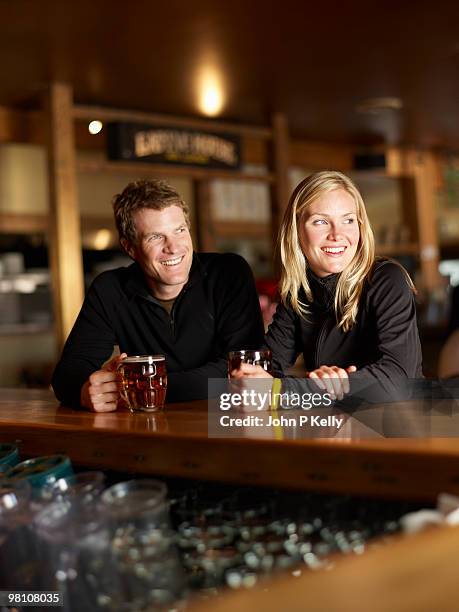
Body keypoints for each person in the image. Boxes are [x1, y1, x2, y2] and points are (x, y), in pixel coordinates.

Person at [52, 179, 264, 411]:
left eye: (180, 230)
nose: (173, 247)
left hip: (225, 422)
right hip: (149, 428)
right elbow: (67, 375)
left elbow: (242, 369)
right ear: (130, 248)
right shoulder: (110, 289)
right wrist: (85, 392)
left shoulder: (228, 273)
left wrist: (137, 388)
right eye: (155, 237)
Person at [232, 170, 423, 402]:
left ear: (361, 228)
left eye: (348, 220)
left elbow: (398, 381)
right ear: (297, 231)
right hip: (336, 430)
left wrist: (304, 389)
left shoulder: (386, 280)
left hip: (398, 431)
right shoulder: (299, 292)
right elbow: (265, 371)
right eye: (321, 221)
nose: (337, 234)